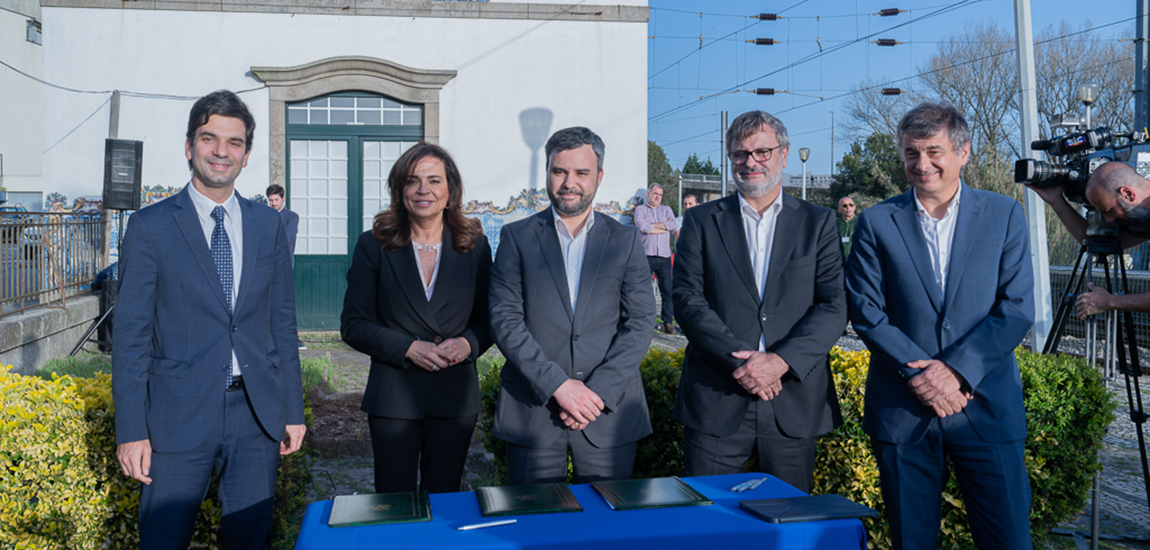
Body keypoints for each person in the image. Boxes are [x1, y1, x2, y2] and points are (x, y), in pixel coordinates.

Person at [112, 90, 306, 550]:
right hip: (176, 416)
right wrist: (132, 431)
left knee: (250, 541)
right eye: (209, 138)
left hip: (255, 416)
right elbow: (131, 336)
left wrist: (292, 410)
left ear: (246, 155)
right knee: (163, 541)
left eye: (234, 142)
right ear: (189, 146)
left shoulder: (268, 225)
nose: (221, 151)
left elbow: (282, 322)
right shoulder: (150, 226)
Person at [846, 101, 1035, 549]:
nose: (922, 164)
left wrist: (955, 372)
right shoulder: (875, 222)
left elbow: (1017, 307)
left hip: (986, 407)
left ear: (963, 152)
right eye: (911, 153)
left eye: (934, 151)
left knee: (1008, 540)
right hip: (904, 412)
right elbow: (867, 311)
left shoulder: (1004, 214)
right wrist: (925, 376)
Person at [671, 110, 845, 493]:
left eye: (762, 151)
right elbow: (687, 299)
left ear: (784, 154)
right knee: (710, 519)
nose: (750, 162)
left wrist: (780, 362)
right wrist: (744, 363)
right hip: (717, 397)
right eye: (740, 153)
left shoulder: (818, 222)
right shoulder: (700, 221)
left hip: (792, 399)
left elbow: (833, 305)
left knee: (786, 518)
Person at [489, 126, 656, 485]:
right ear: (547, 172)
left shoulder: (625, 240)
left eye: (581, 172)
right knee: (536, 518)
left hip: (607, 412)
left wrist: (596, 393)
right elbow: (505, 319)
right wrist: (558, 386)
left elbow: (641, 321)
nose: (569, 183)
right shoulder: (516, 237)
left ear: (599, 176)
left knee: (606, 520)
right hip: (533, 411)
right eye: (559, 171)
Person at [341, 142, 493, 494]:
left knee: (444, 499)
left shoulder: (474, 246)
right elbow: (353, 324)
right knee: (395, 503)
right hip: (393, 395)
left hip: (454, 395)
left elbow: (491, 320)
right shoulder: (373, 245)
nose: (424, 190)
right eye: (413, 181)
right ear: (400, 190)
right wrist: (408, 348)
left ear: (450, 190)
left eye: (434, 180)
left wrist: (468, 343)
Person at [1031, 162, 1150, 318]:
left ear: (1128, 194)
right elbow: (1101, 243)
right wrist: (1056, 201)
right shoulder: (1143, 218)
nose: (1108, 220)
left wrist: (1111, 301)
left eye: (1109, 211)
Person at [633, 183, 678, 334]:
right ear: (648, 194)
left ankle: (668, 322)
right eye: (655, 194)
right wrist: (663, 226)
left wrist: (654, 226)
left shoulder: (667, 209)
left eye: (660, 195)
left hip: (664, 256)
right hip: (647, 255)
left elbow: (673, 225)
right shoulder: (640, 210)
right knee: (643, 291)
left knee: (667, 291)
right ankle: (644, 321)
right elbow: (644, 227)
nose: (658, 197)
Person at [266, 184, 299, 266]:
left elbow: (286, 239)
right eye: (271, 200)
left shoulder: (292, 217)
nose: (274, 203)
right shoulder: (265, 217)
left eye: (276, 200)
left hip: (285, 263)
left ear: (283, 199)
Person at [836, 195, 857, 259]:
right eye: (845, 205)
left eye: (851, 205)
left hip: (856, 262)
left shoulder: (861, 223)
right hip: (840, 262)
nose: (848, 207)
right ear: (839, 209)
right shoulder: (835, 225)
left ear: (854, 207)